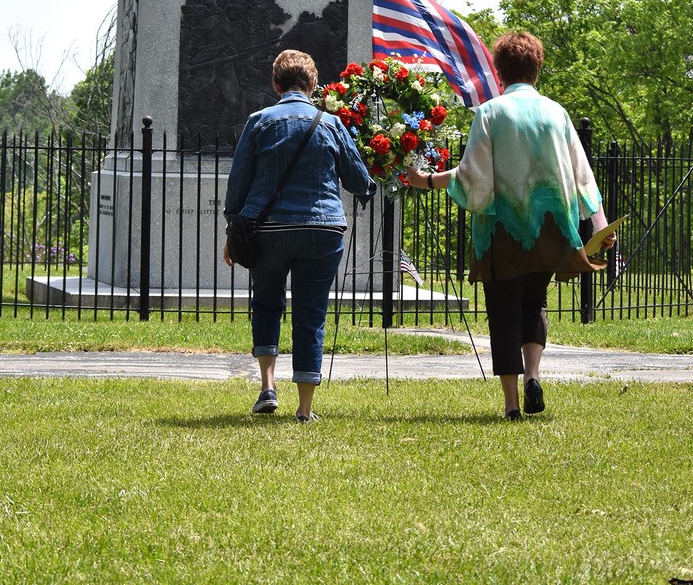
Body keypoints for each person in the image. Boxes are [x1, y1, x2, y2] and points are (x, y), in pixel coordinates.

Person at [405, 32, 616, 420]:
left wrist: (429, 180)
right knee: (534, 302)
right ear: (537, 68)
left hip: (501, 230)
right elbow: (582, 175)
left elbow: (472, 177)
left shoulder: (491, 113)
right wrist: (599, 225)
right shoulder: (557, 113)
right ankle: (533, 375)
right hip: (550, 230)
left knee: (502, 312)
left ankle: (512, 404)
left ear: (499, 71)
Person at [223, 49, 375, 421]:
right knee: (311, 313)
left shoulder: (258, 121)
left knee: (267, 303)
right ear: (313, 84)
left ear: (276, 84)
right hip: (322, 229)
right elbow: (358, 180)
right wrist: (371, 187)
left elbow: (238, 183)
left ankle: (267, 387)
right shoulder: (332, 123)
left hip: (269, 230)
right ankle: (305, 410)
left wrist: (233, 229)